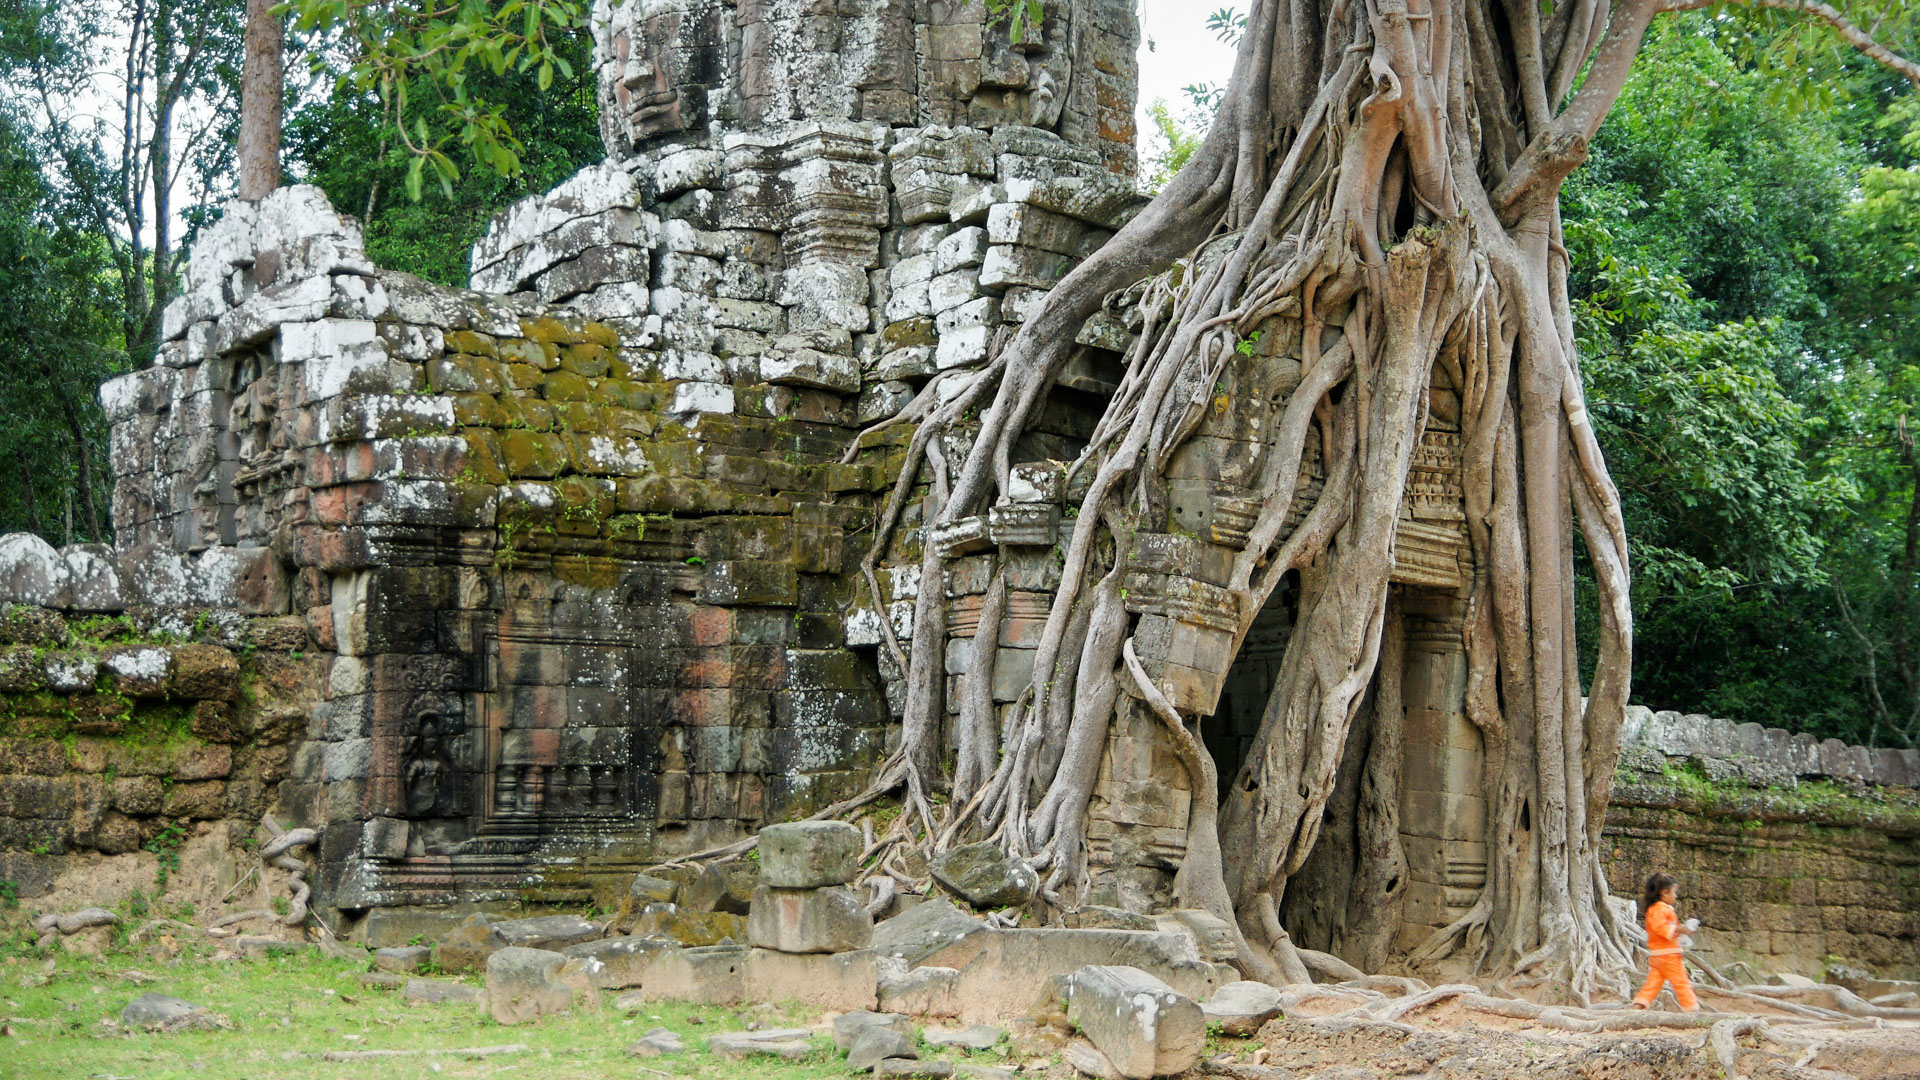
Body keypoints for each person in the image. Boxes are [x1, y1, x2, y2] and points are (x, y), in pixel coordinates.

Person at [1631, 872, 1700, 1011]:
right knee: (1681, 981)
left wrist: (1681, 932)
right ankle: (1691, 1007)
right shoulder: (1659, 909)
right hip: (1668, 955)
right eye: (1674, 892)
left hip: (1658, 955)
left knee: (1654, 982)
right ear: (1664, 893)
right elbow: (1662, 929)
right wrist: (1681, 928)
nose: (1676, 896)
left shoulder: (1656, 909)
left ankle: (1640, 1004)